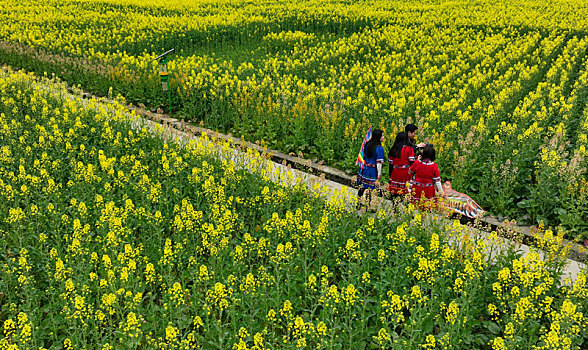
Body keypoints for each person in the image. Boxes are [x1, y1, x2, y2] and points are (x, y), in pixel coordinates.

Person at [408, 144, 444, 209]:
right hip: (428, 190)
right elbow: (437, 181)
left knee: (415, 206)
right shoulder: (434, 166)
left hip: (417, 189)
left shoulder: (417, 163)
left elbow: (410, 172)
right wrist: (441, 191)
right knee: (426, 208)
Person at [357, 129, 384, 210]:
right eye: (382, 136)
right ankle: (368, 206)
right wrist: (379, 173)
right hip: (372, 171)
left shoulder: (367, 143)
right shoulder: (379, 148)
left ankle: (358, 203)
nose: (383, 137)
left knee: (362, 187)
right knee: (370, 188)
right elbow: (379, 163)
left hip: (364, 168)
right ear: (378, 137)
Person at [387, 132, 415, 197]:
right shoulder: (409, 149)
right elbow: (412, 162)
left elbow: (390, 163)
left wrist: (390, 174)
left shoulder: (394, 148)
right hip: (405, 173)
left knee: (394, 192)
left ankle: (394, 205)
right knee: (405, 192)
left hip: (395, 172)